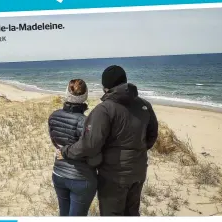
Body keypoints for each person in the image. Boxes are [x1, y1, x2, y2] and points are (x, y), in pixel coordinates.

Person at [58, 65, 159, 216]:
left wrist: (66, 151)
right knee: (132, 213)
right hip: (138, 171)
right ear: (125, 81)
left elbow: (90, 145)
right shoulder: (144, 105)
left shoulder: (104, 109)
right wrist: (136, 152)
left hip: (113, 176)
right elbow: (152, 136)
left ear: (105, 87)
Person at [48, 79, 102, 216]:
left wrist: (63, 151)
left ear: (67, 93)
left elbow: (55, 142)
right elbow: (91, 150)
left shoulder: (53, 116)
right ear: (85, 97)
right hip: (81, 178)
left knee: (64, 215)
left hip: (59, 173)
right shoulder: (86, 122)